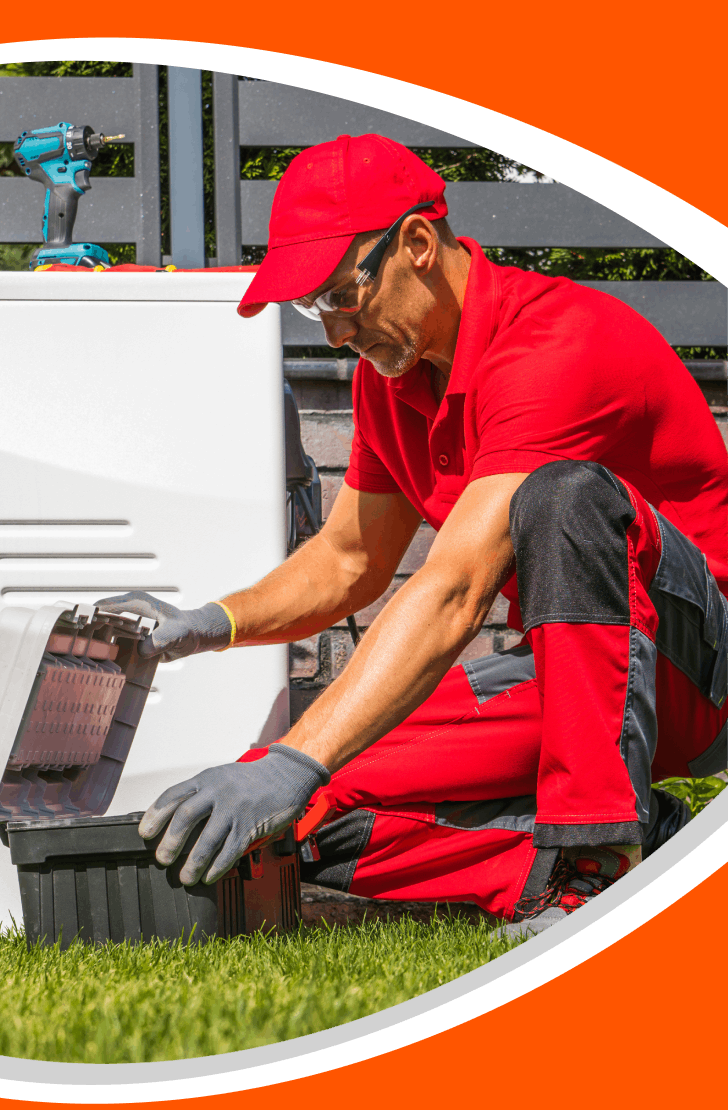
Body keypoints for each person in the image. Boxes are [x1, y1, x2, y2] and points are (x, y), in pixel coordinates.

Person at [97, 133, 728, 936]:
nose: (334, 333)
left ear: (418, 245)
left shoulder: (557, 342)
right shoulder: (391, 380)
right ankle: (652, 845)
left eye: (340, 296)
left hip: (697, 664)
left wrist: (298, 755)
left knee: (563, 498)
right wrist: (210, 624)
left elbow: (457, 586)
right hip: (572, 678)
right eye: (313, 308)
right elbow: (348, 560)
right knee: (299, 810)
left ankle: (594, 863)